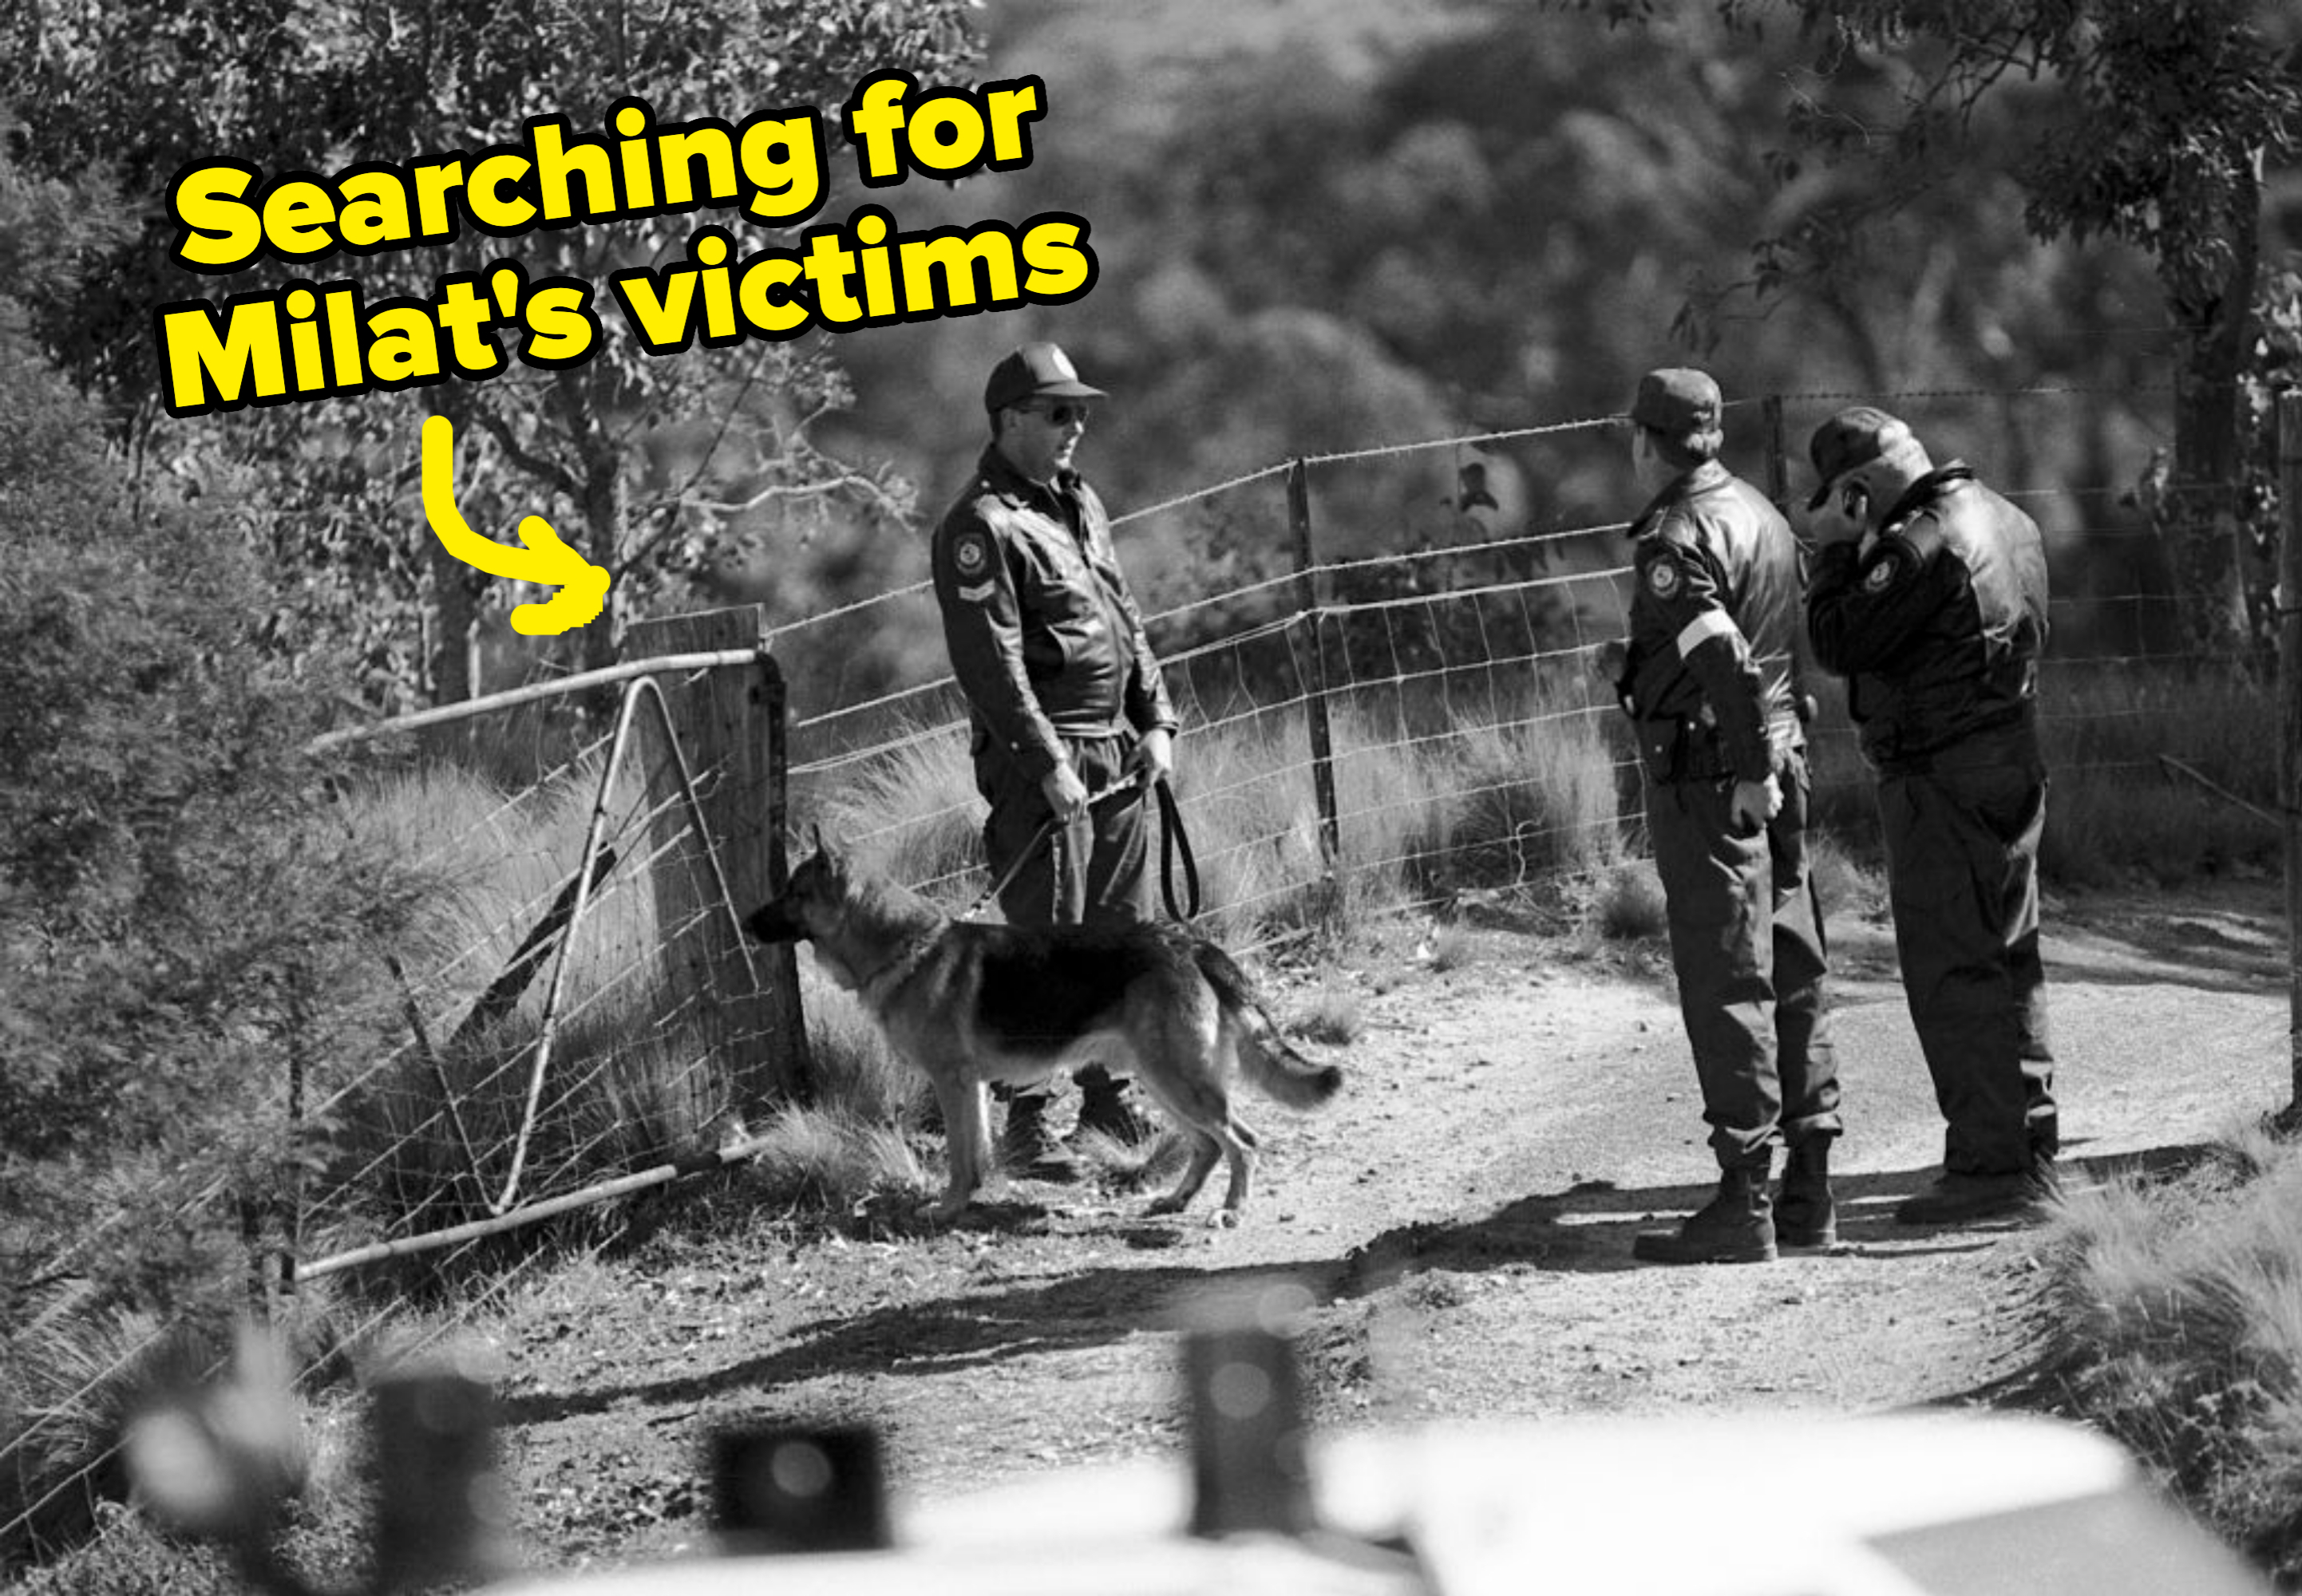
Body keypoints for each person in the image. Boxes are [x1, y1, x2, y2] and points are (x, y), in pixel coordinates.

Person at [1601, 368, 1841, 1266]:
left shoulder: (1674, 534)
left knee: (1726, 972)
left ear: (1644, 438)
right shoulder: (1764, 514)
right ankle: (1809, 1187)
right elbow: (1757, 647)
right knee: (1793, 962)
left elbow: (1726, 658)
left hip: (1718, 777)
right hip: (1780, 759)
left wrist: (1744, 770)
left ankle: (1744, 1200)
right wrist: (1633, 672)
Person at [929, 341, 1179, 1179]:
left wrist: (1157, 720)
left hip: (1115, 747)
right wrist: (1045, 762)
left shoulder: (1079, 502)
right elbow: (989, 663)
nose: (1077, 425)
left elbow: (1126, 617)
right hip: (1048, 755)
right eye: (1058, 412)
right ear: (1009, 421)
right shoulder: (979, 526)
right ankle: (1027, 1123)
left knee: (1115, 931)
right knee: (1039, 940)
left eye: (1081, 411)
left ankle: (1109, 1105)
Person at [1802, 406, 2057, 1225]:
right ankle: (2030, 1140)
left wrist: (1839, 550)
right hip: (2010, 755)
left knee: (1952, 964)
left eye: (1844, 502)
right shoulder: (2007, 516)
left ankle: (1990, 1166)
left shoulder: (1916, 541)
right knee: (2010, 951)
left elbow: (1838, 638)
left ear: (1855, 489)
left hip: (1939, 773)